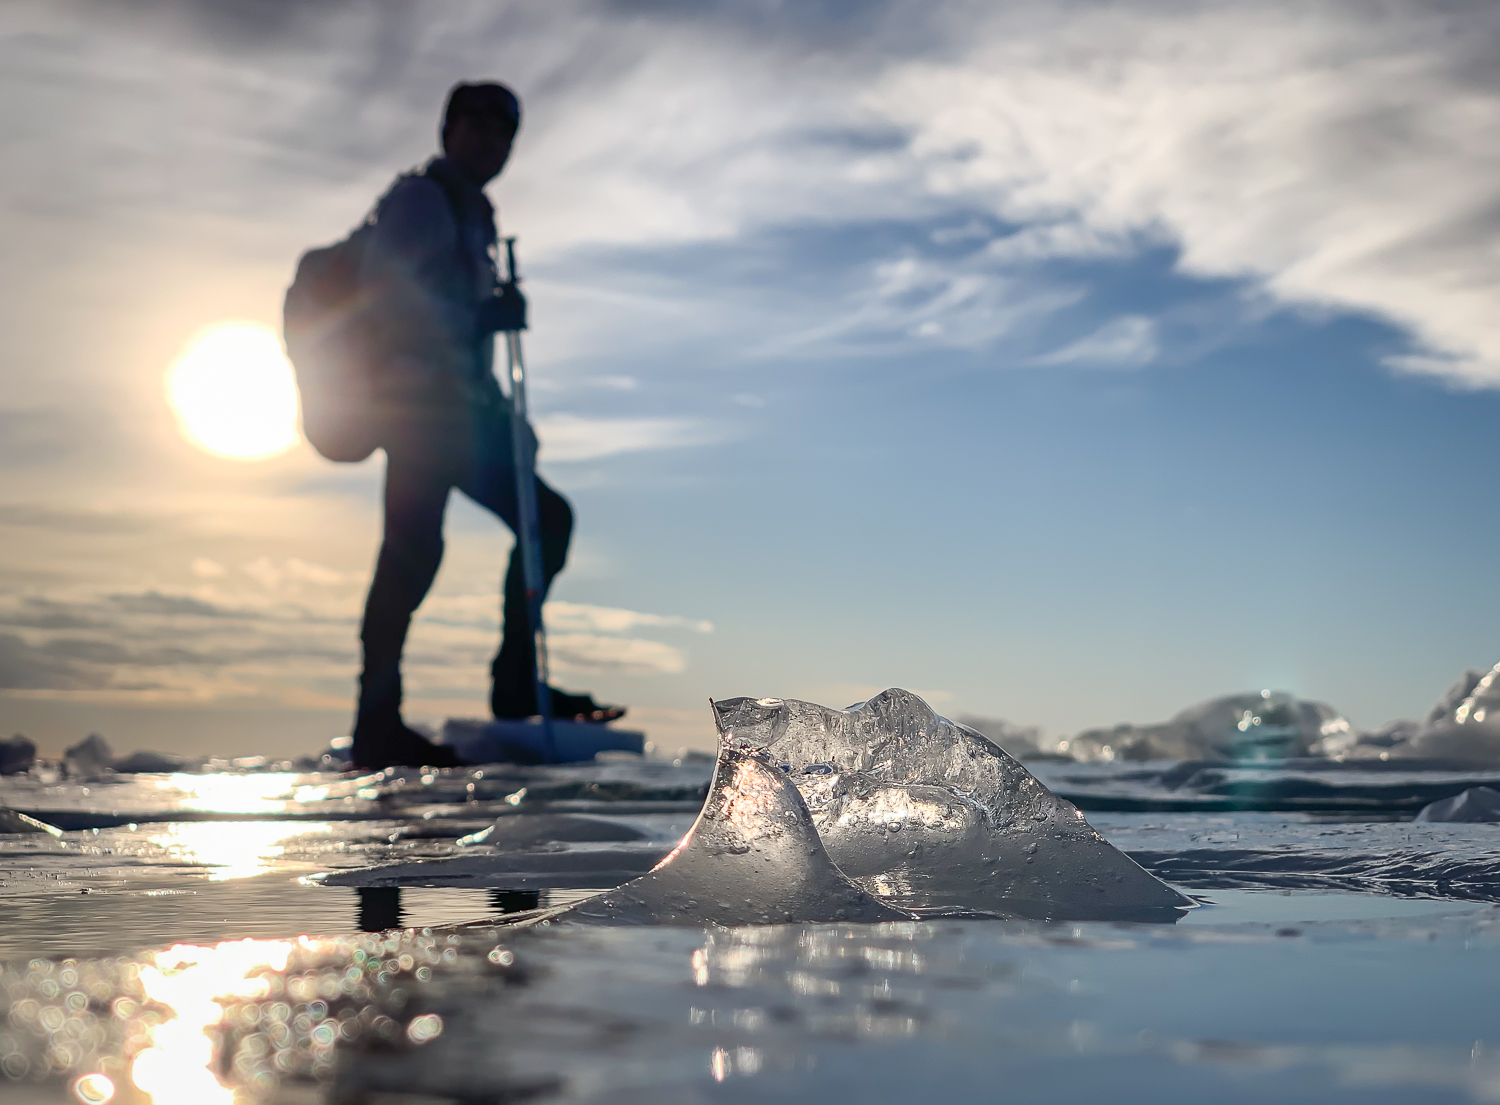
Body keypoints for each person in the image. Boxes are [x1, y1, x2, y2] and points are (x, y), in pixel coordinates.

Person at [352, 81, 622, 770]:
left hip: (459, 413)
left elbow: (465, 344)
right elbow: (394, 301)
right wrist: (483, 317)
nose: (488, 140)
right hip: (416, 410)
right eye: (474, 125)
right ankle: (376, 721)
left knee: (543, 521)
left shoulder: (476, 212)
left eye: (501, 132)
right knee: (412, 555)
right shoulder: (420, 201)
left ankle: (510, 684)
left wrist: (502, 413)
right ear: (448, 130)